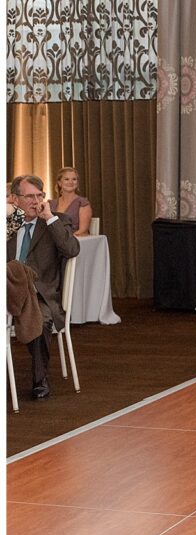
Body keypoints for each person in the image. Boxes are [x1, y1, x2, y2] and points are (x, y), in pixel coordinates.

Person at [6, 174, 80, 399]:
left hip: (40, 295)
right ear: (15, 199)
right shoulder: (9, 222)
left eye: (39, 195)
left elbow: (72, 249)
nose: (35, 201)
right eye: (29, 196)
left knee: (41, 319)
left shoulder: (56, 220)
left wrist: (49, 218)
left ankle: (40, 379)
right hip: (7, 292)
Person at [49, 166, 93, 236]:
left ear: (77, 183)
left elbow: (83, 231)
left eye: (74, 179)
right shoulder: (50, 204)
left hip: (73, 243)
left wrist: (66, 242)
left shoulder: (82, 203)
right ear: (60, 183)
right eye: (66, 179)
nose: (71, 182)